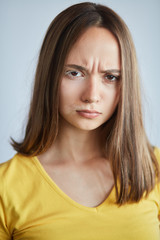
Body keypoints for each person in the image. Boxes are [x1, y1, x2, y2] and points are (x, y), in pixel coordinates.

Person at [0, 2, 160, 240]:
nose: (91, 95)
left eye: (110, 77)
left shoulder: (153, 168)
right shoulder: (6, 187)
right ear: (50, 74)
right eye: (74, 73)